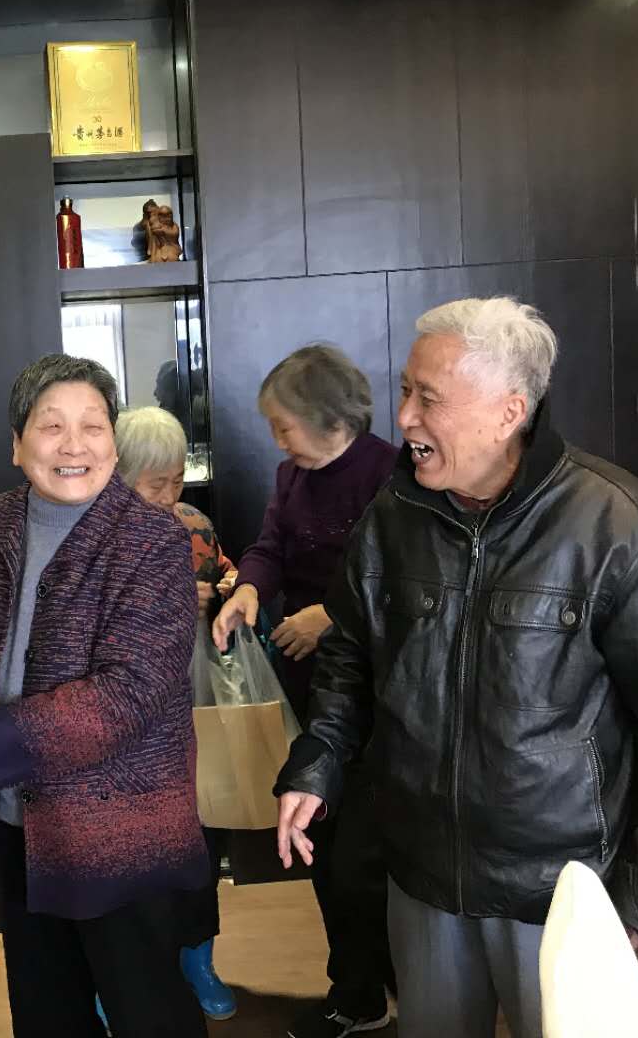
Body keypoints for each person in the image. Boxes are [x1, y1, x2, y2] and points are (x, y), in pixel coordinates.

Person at [276, 297, 638, 1038]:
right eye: (405, 390)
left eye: (428, 397)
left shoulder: (611, 520)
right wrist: (317, 763)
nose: (404, 417)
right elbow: (350, 658)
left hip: (561, 888)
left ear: (509, 410)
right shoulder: (393, 514)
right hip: (421, 875)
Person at [0, 354, 209, 1038]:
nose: (74, 446)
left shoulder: (155, 541)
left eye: (93, 427)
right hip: (17, 827)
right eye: (51, 427)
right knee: (47, 1015)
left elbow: (127, 696)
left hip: (123, 835)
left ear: (113, 444)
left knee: (149, 1015)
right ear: (17, 445)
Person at [212, 344, 399, 1038]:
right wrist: (249, 590)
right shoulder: (292, 475)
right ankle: (358, 992)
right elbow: (269, 548)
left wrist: (332, 617)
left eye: (284, 425)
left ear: (330, 418)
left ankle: (377, 989)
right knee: (324, 848)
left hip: (376, 694)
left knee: (361, 859)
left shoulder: (390, 473)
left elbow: (408, 584)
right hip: (308, 687)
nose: (277, 440)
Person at [116, 406, 238, 1021]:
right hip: (121, 719)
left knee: (198, 838)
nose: (170, 496)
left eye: (176, 481)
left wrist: (227, 593)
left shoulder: (195, 526)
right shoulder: (94, 535)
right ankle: (119, 976)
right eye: (155, 484)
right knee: (129, 850)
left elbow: (231, 577)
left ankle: (199, 957)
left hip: (192, 706)